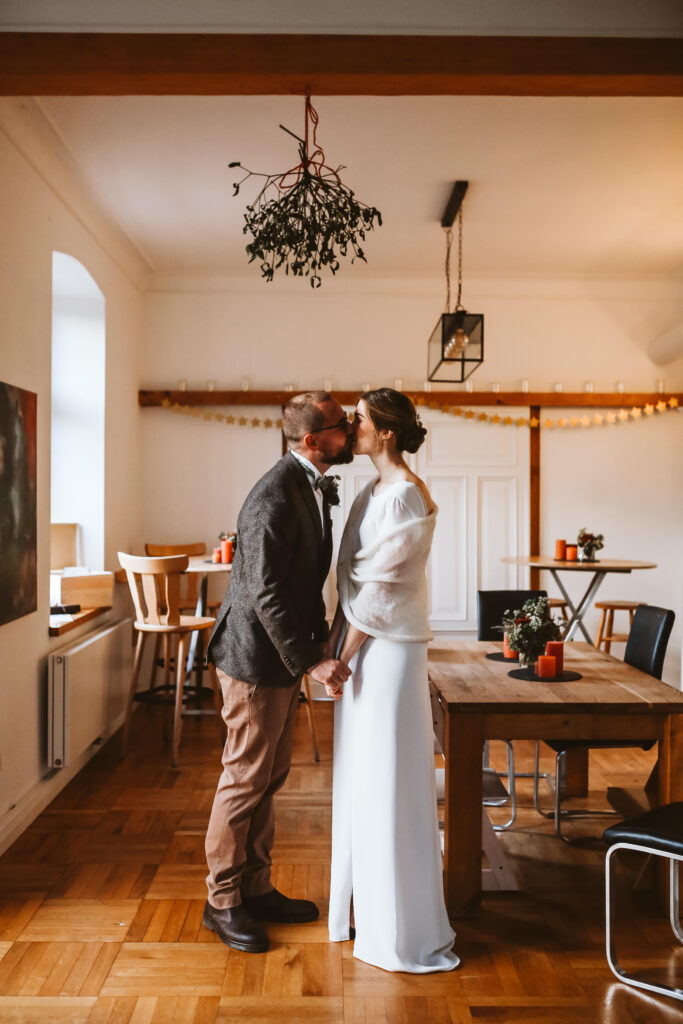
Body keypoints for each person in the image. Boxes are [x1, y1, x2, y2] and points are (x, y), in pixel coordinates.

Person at [203, 390, 353, 953]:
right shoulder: (273, 495)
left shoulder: (306, 486)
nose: (352, 431)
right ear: (314, 441)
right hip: (252, 660)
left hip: (278, 659)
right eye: (343, 425)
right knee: (244, 779)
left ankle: (256, 886)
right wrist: (312, 658)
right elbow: (266, 592)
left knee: (270, 776)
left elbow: (299, 580)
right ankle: (221, 902)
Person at [326, 388, 459, 973]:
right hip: (360, 647)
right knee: (362, 777)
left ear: (385, 433)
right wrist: (335, 650)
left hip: (390, 652)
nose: (350, 427)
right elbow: (349, 579)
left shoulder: (405, 495)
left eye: (359, 420)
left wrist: (343, 656)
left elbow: (383, 590)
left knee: (390, 780)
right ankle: (364, 911)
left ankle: (401, 929)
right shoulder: (369, 491)